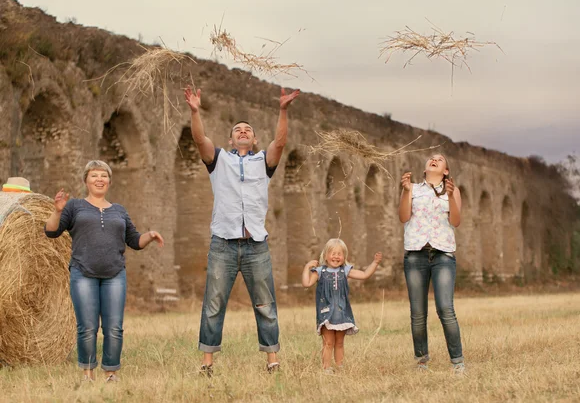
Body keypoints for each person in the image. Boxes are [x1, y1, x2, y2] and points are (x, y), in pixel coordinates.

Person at [184, 85, 300, 375]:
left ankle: (272, 362)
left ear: (255, 138)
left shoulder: (263, 162)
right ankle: (207, 364)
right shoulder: (219, 160)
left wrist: (283, 110)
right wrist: (195, 112)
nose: (243, 131)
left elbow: (281, 142)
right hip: (223, 243)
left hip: (255, 245)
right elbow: (199, 139)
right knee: (213, 304)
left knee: (265, 304)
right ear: (230, 138)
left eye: (248, 129)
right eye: (238, 129)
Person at [45, 160, 164, 382]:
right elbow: (51, 232)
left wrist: (150, 235)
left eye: (104, 175)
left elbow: (134, 241)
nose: (99, 179)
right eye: (94, 175)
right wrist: (57, 211)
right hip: (83, 272)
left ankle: (111, 373)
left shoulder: (119, 210)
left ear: (109, 181)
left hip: (115, 274)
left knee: (114, 328)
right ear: (86, 181)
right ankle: (87, 374)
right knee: (87, 327)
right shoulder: (75, 207)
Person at [398, 154, 465, 374]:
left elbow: (455, 221)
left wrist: (452, 196)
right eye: (431, 158)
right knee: (417, 311)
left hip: (443, 255)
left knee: (445, 308)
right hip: (415, 255)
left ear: (446, 171)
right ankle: (421, 361)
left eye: (440, 159)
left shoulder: (453, 191)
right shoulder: (413, 189)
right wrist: (406, 192)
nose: (434, 160)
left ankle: (458, 362)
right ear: (426, 167)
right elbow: (403, 217)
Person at [301, 238, 382, 372]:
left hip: (342, 312)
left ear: (344, 257)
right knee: (328, 342)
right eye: (333, 253)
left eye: (339, 254)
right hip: (326, 312)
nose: (336, 256)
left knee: (339, 342)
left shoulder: (345, 271)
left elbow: (364, 274)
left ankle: (340, 367)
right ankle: (326, 368)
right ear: (326, 255)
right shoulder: (320, 271)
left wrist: (375, 262)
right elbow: (306, 283)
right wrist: (307, 267)